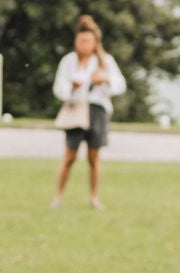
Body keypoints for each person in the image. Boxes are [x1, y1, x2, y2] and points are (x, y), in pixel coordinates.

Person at [51, 14, 125, 210]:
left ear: (94, 42)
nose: (85, 45)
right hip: (76, 109)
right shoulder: (69, 61)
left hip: (97, 110)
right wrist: (72, 88)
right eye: (81, 41)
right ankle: (58, 196)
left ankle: (94, 197)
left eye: (88, 41)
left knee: (94, 157)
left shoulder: (105, 61)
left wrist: (105, 80)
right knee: (69, 156)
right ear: (76, 42)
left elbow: (120, 85)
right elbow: (59, 88)